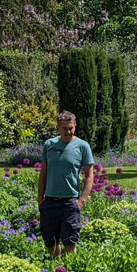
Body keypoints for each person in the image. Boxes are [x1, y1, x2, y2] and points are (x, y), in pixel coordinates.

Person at [37, 111, 94, 259]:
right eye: (65, 128)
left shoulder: (82, 146)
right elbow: (43, 174)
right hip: (49, 201)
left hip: (70, 202)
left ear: (75, 126)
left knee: (70, 241)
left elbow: (89, 175)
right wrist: (40, 200)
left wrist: (82, 200)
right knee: (50, 241)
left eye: (71, 128)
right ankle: (56, 267)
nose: (68, 131)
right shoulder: (49, 145)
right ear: (58, 128)